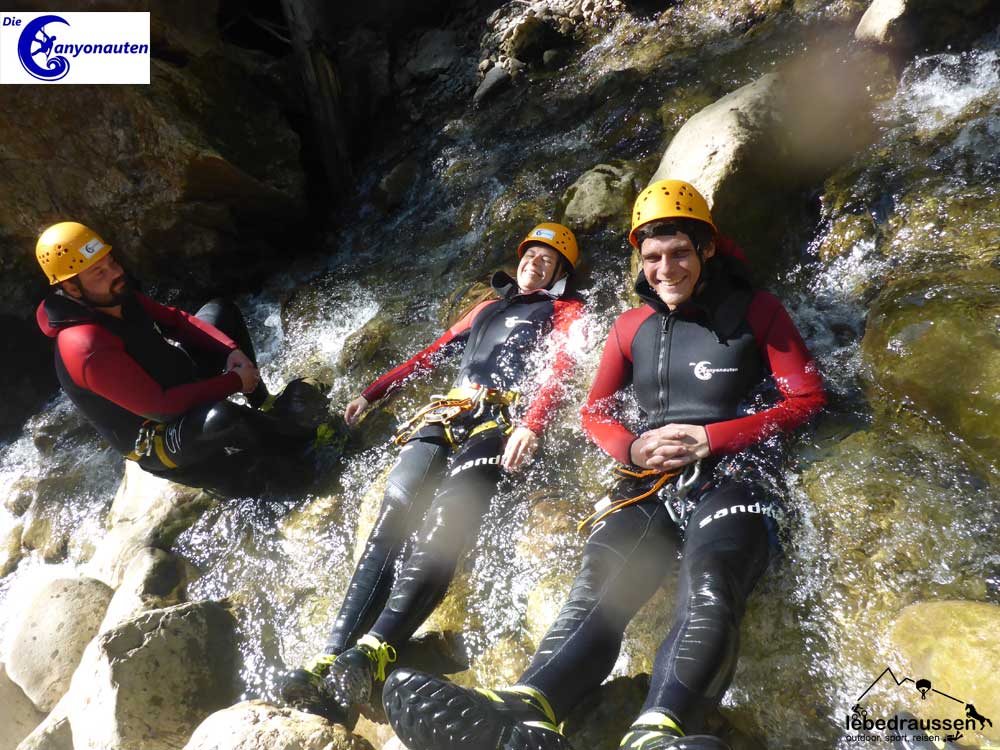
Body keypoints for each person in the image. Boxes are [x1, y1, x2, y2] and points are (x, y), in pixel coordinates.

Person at [379, 180, 827, 750]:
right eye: (654, 256)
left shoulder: (758, 311)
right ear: (641, 260)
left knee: (712, 583)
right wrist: (632, 449)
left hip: (737, 474)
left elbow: (807, 400)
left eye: (680, 253)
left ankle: (660, 729)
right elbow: (594, 413)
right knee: (598, 585)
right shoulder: (629, 328)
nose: (667, 268)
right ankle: (529, 706)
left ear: (707, 250)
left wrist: (712, 437)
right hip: (646, 481)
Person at [280, 222, 586, 725]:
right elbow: (432, 354)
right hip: (447, 413)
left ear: (560, 274)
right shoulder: (486, 308)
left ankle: (378, 647)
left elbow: (559, 370)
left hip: (499, 419)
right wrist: (373, 392)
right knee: (394, 518)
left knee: (446, 524)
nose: (535, 263)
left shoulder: (566, 311)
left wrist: (531, 424)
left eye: (548, 260)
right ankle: (330, 657)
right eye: (531, 255)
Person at [34, 221, 324, 495]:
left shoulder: (112, 294)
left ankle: (265, 405)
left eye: (111, 262)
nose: (114, 274)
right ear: (72, 288)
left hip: (173, 381)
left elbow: (177, 321)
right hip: (157, 435)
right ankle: (286, 437)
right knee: (221, 418)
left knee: (221, 312)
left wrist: (230, 351)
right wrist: (234, 381)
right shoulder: (84, 346)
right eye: (99, 272)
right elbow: (161, 407)